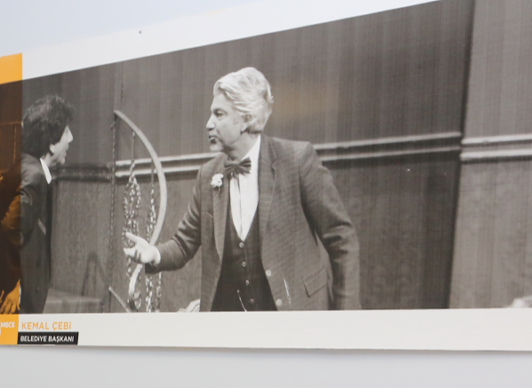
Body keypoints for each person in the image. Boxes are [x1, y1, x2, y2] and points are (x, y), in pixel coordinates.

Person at [124, 67, 360, 312]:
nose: (208, 124)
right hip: (234, 321)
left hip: (298, 314)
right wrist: (154, 254)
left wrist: (348, 314)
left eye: (219, 114)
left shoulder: (296, 160)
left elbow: (341, 237)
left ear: (246, 118)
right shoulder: (208, 175)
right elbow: (184, 244)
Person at [5, 95, 75, 314]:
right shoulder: (34, 176)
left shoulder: (30, 169)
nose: (71, 138)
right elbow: (6, 230)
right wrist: (11, 283)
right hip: (17, 303)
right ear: (52, 144)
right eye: (66, 132)